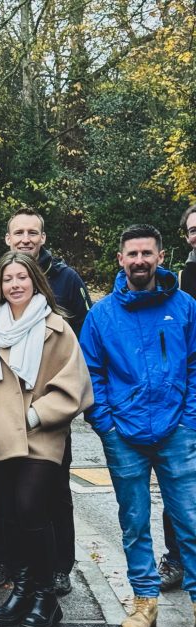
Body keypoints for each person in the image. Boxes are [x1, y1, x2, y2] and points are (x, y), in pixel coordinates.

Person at [0, 252, 92, 627]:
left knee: (32, 507)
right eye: (7, 279)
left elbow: (75, 386)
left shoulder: (56, 328)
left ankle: (45, 596)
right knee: (11, 513)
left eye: (22, 278)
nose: (15, 284)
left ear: (35, 282)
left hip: (41, 435)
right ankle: (23, 588)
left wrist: (33, 416)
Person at [80, 224, 196, 627]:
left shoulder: (185, 307)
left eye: (147, 253)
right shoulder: (102, 315)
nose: (140, 261)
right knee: (133, 521)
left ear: (161, 257)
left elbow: (195, 364)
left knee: (190, 518)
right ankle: (144, 601)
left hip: (176, 431)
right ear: (121, 260)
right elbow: (91, 373)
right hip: (124, 435)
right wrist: (106, 425)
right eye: (133, 254)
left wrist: (189, 419)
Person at [0, 208, 92, 596]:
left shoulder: (66, 282)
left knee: (51, 494)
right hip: (1, 421)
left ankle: (56, 569)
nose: (25, 238)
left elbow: (74, 353)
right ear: (6, 239)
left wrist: (39, 413)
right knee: (6, 497)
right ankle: (6, 564)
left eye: (32, 232)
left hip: (44, 423)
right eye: (17, 232)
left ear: (42, 237)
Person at [158, 203, 196, 592]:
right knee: (180, 491)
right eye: (192, 230)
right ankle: (176, 560)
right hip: (187, 403)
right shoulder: (185, 278)